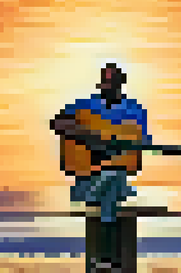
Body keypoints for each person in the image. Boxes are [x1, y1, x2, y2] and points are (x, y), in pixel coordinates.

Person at [51, 63, 150, 270]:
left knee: (113, 177)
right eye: (105, 81)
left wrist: (115, 147)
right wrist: (90, 138)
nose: (108, 86)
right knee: (112, 182)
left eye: (112, 82)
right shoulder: (85, 107)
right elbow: (57, 123)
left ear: (120, 84)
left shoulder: (134, 111)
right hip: (87, 184)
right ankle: (110, 255)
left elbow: (142, 143)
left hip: (116, 183)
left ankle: (104, 256)